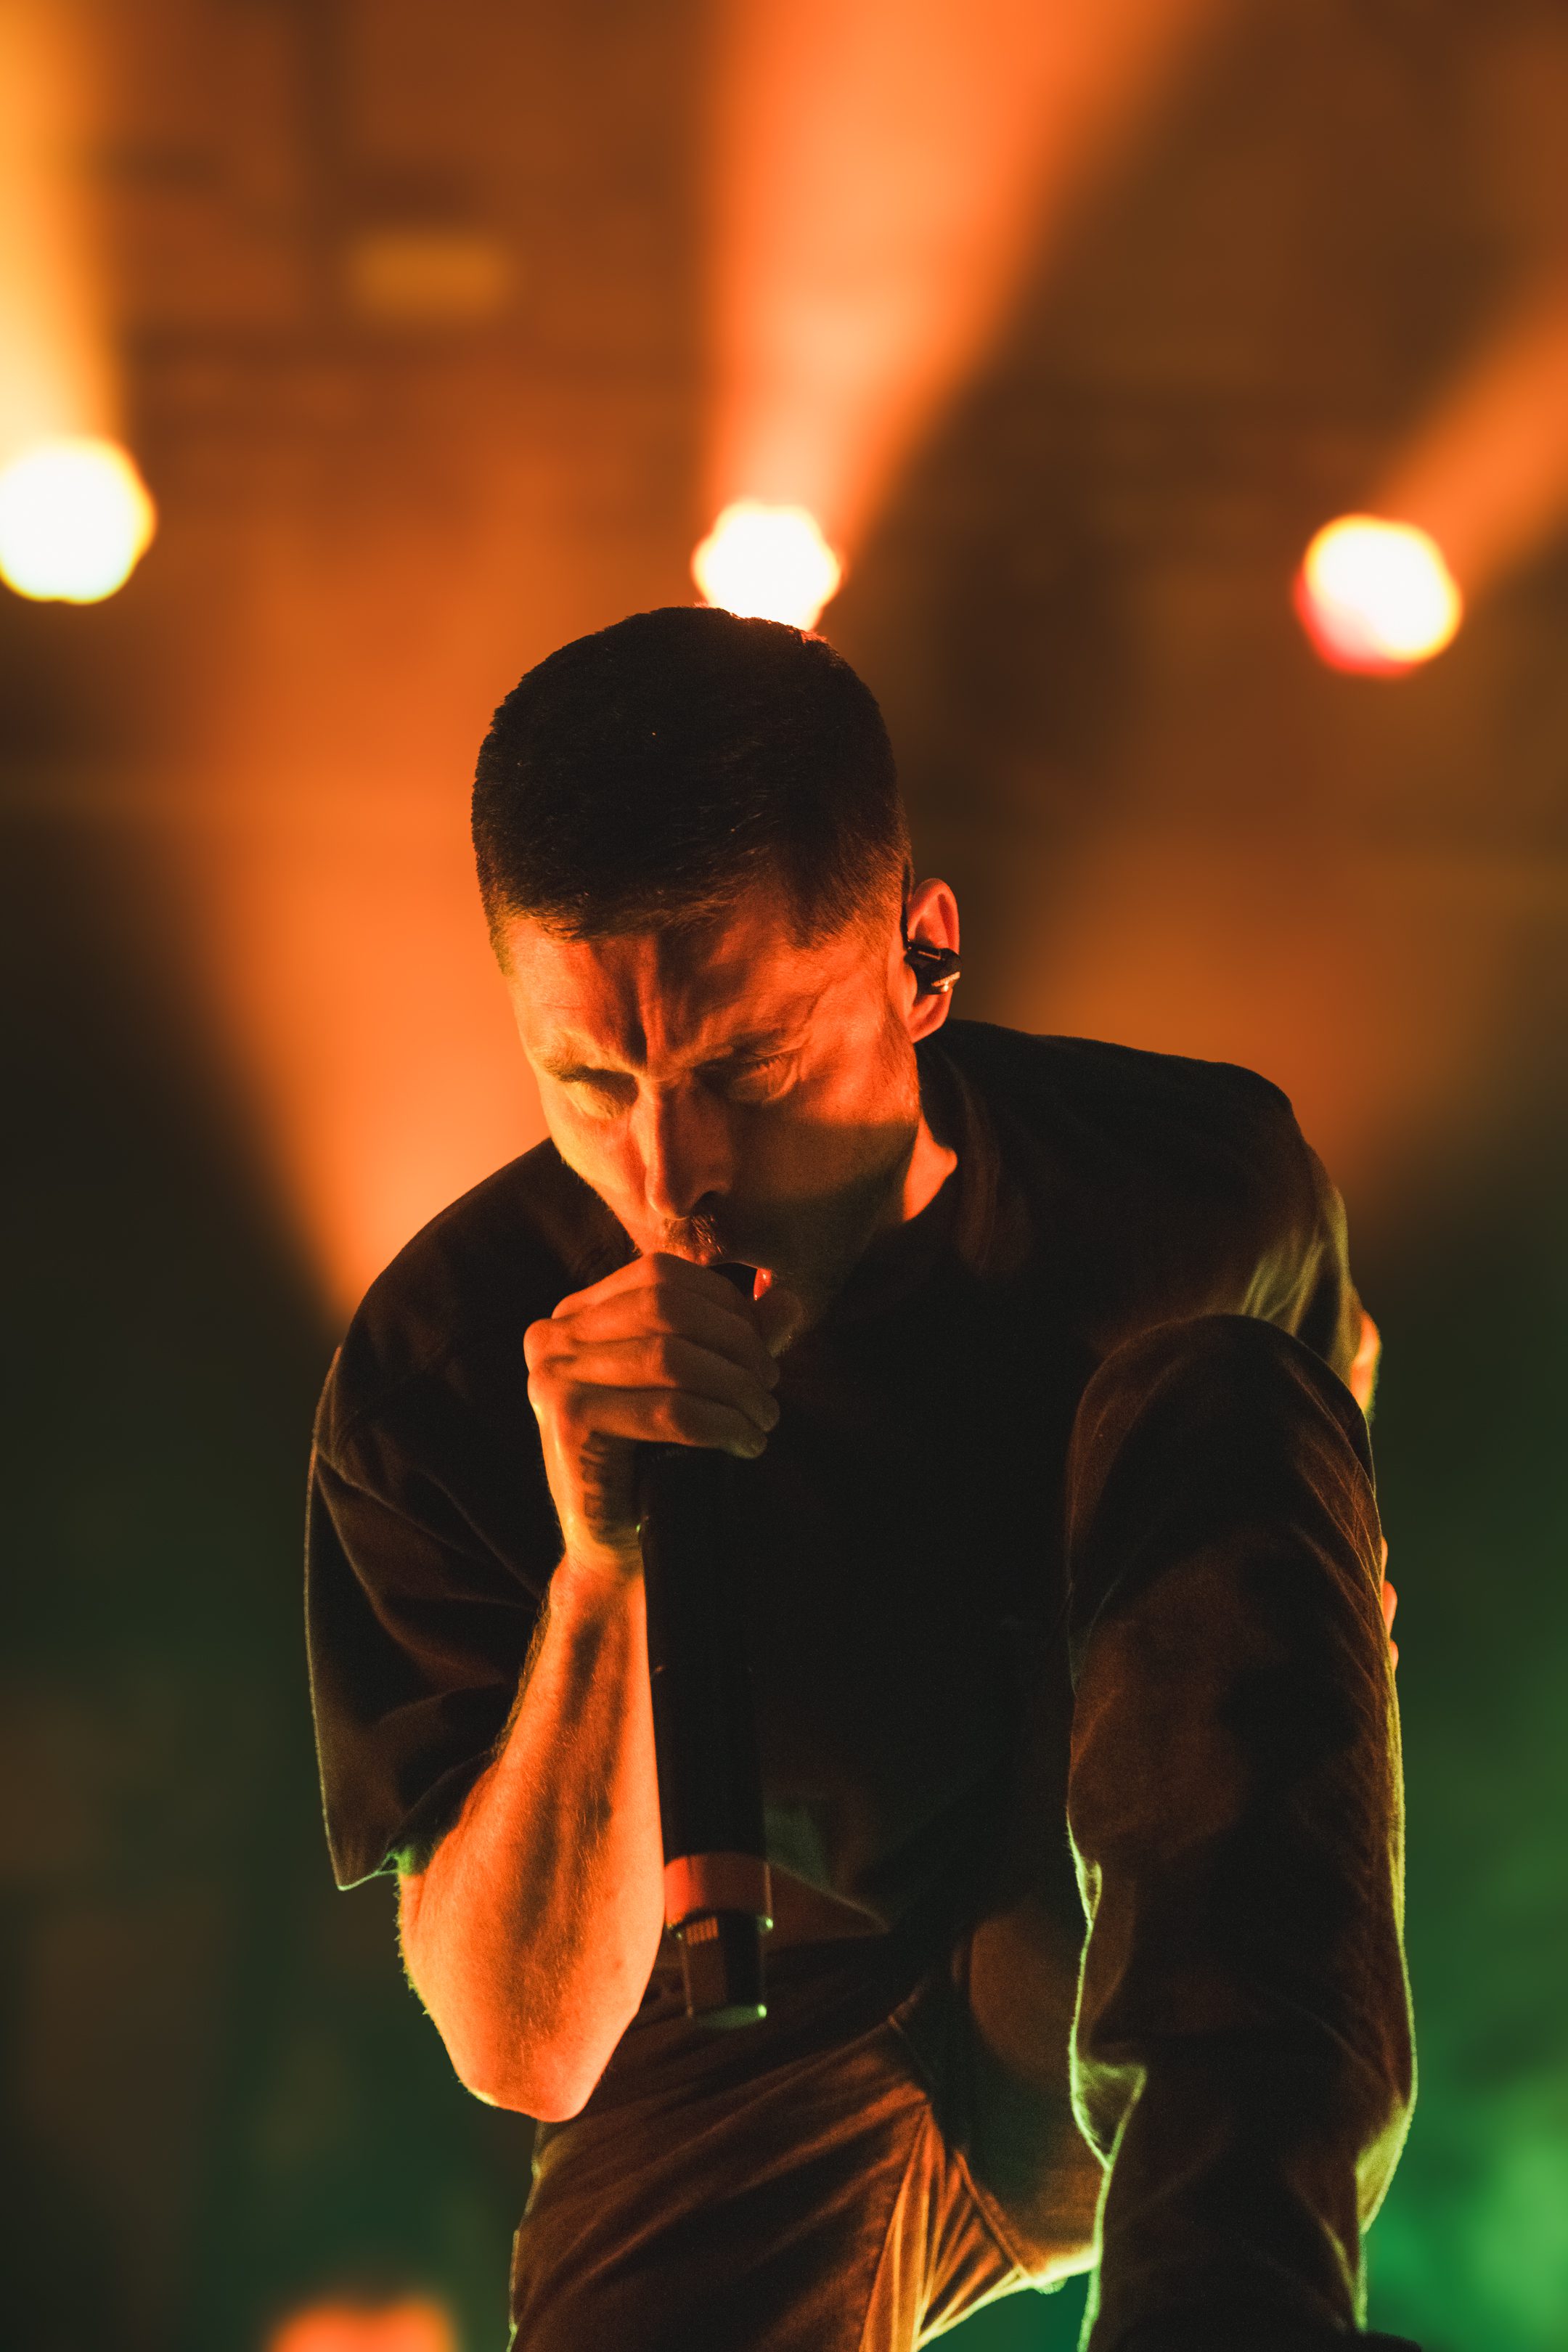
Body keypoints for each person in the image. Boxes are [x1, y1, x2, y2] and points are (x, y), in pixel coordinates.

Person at [306, 606, 1416, 2352]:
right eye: (588, 1080)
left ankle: (1236, 2316)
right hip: (740, 2040)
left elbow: (1328, 1522)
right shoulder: (438, 1368)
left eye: (748, 1068)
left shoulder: (1197, 1187)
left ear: (922, 954)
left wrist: (1288, 1615)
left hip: (1119, 1950)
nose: (669, 1169)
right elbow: (525, 2048)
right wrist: (602, 1570)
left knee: (1223, 1392)